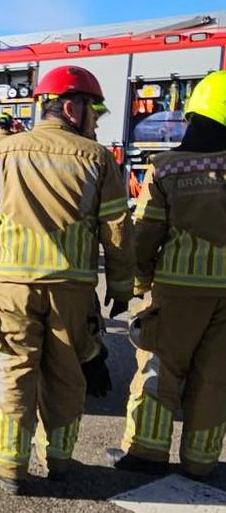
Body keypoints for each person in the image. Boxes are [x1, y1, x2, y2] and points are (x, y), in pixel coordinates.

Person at [0, 65, 134, 493]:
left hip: (12, 288)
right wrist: (120, 286)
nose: (95, 120)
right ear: (73, 108)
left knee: (15, 368)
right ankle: (59, 461)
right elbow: (118, 230)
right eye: (93, 110)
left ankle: (7, 467)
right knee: (65, 374)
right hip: (72, 290)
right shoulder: (97, 159)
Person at [106, 70, 226, 479]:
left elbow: (146, 234)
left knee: (160, 366)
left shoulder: (168, 168)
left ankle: (146, 453)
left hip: (179, 289)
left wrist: (138, 280)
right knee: (216, 378)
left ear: (195, 118)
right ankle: (201, 461)